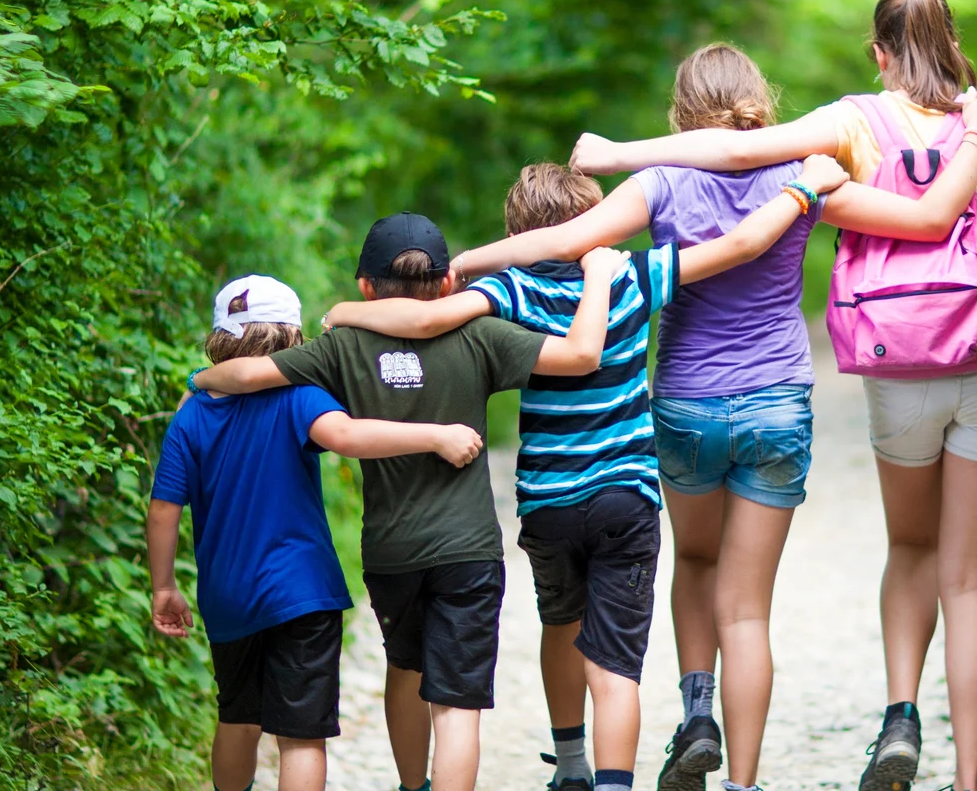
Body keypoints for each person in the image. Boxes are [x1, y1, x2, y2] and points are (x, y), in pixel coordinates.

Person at [456, 43, 977, 791]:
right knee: (748, 611)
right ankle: (743, 781)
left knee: (697, 563)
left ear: (681, 114)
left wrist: (464, 265)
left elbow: (562, 241)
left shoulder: (659, 182)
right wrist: (974, 137)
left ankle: (696, 716)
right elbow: (920, 220)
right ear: (761, 102)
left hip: (685, 402)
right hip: (778, 402)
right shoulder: (803, 177)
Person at [571, 0, 977, 791]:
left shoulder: (850, 125)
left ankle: (894, 716)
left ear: (879, 52)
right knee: (970, 579)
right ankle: (969, 778)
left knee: (905, 547)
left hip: (891, 360)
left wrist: (623, 154)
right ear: (954, 42)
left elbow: (730, 158)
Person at [322, 158, 849, 791]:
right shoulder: (630, 273)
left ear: (521, 229)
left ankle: (570, 767)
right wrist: (798, 189)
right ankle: (614, 783)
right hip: (626, 494)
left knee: (560, 625)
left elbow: (427, 320)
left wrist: (347, 314)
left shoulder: (510, 290)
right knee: (616, 660)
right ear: (597, 220)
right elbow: (738, 246)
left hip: (549, 499)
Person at [190, 213, 620, 791]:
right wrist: (598, 275)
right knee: (457, 705)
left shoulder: (341, 348)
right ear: (447, 284)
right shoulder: (482, 335)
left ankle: (411, 785)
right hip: (467, 548)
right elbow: (579, 355)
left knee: (404, 666)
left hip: (391, 552)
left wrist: (201, 380)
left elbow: (240, 377)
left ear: (365, 286)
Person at [146, 274, 487, 791]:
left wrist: (164, 587)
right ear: (292, 334)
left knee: (236, 718)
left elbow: (163, 510)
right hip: (302, 594)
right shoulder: (299, 397)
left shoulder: (191, 415)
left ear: (220, 337)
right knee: (301, 736)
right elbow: (348, 436)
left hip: (228, 598)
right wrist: (435, 435)